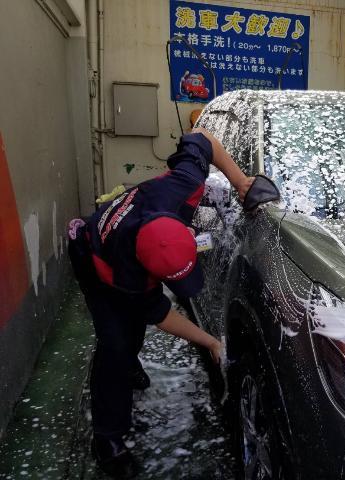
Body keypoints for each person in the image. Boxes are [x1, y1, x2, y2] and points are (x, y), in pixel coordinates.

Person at [67, 128, 252, 478]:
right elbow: (162, 315)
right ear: (148, 272)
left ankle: (129, 365)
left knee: (129, 333)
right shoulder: (127, 276)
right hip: (91, 255)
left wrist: (241, 181)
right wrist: (210, 341)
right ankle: (107, 440)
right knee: (116, 344)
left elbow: (202, 137)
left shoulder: (182, 182)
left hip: (131, 229)